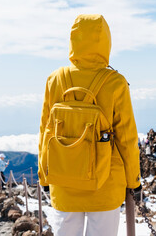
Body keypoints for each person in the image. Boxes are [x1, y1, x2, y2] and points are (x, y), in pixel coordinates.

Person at [37, 14, 141, 236]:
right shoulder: (115, 82)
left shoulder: (55, 79)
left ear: (73, 40)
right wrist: (134, 181)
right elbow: (127, 137)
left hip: (63, 180)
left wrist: (44, 176)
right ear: (106, 42)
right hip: (105, 183)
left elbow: (46, 132)